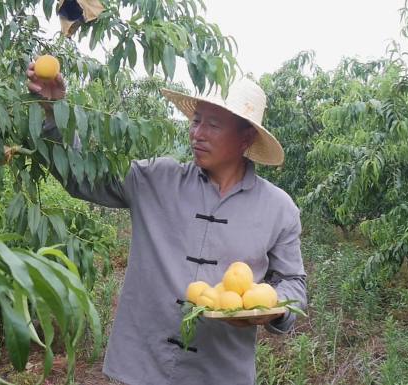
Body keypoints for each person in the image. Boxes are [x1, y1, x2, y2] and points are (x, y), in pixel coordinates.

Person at [27, 62, 307, 385]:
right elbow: (80, 175)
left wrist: (275, 309)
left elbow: (292, 283)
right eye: (196, 120)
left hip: (220, 374)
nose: (197, 133)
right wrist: (53, 114)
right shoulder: (155, 179)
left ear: (246, 139)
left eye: (213, 125)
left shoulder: (279, 209)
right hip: (142, 369)